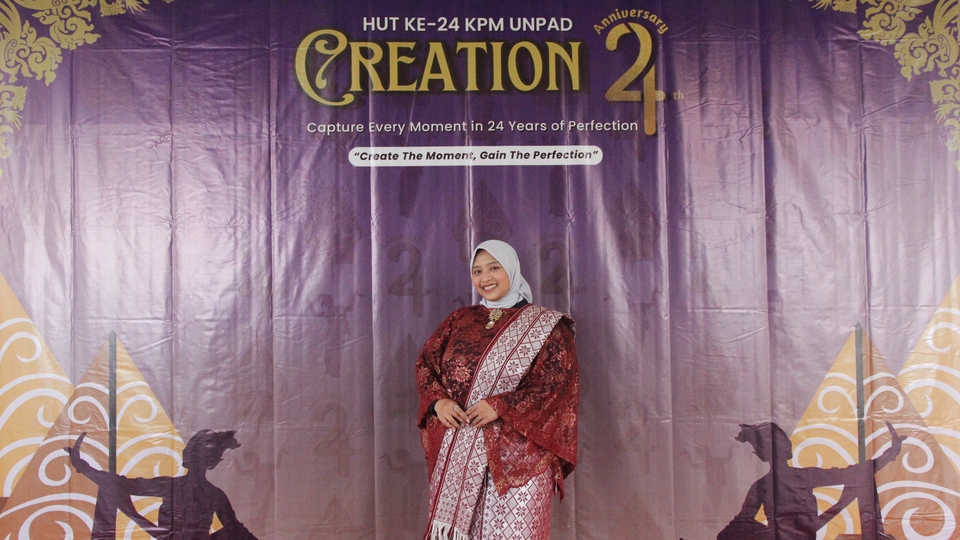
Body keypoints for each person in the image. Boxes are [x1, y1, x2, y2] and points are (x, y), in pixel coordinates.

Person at [416, 239, 579, 540]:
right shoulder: (459, 320)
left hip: (517, 456)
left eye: (494, 268)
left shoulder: (546, 325)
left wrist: (500, 406)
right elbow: (427, 364)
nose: (485, 278)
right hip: (459, 450)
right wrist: (438, 403)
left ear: (512, 269)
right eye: (477, 271)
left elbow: (557, 384)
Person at [718, 421, 904, 540]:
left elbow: (854, 473)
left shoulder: (785, 480)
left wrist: (890, 453)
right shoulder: (764, 486)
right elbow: (740, 524)